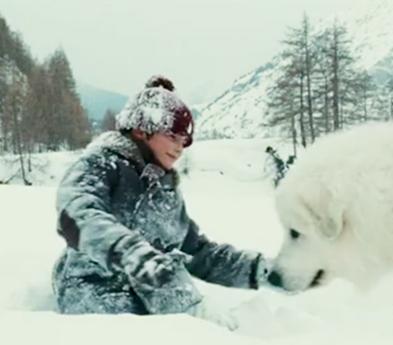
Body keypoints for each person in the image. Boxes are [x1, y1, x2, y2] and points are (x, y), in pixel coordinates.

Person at [52, 75, 269, 318]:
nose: (179, 148)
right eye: (172, 137)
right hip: (94, 285)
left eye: (184, 141)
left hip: (159, 291)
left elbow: (196, 251)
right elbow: (76, 214)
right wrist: (133, 254)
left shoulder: (166, 187)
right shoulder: (102, 164)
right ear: (142, 130)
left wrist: (258, 270)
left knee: (199, 331)